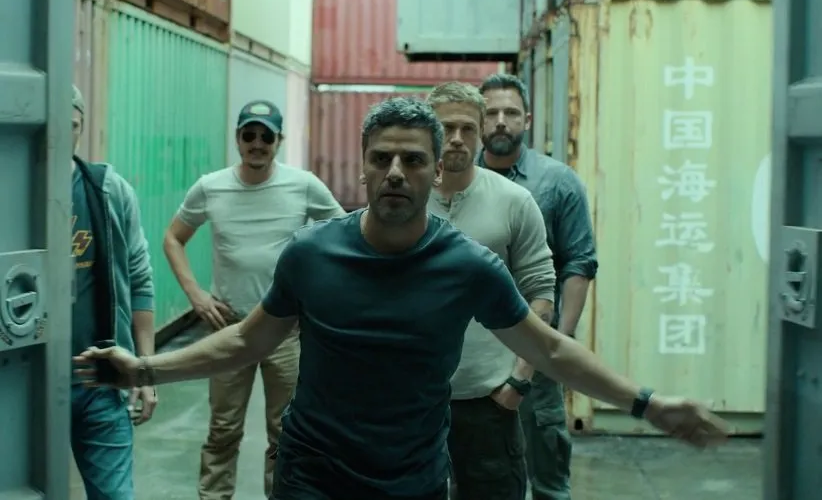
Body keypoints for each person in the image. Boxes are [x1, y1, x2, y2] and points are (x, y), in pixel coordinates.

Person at [75, 97, 729, 500]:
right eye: (382, 158)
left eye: (413, 160)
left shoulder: (467, 267)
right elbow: (248, 341)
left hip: (412, 480)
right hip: (313, 477)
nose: (395, 173)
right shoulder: (311, 255)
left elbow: (550, 349)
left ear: (436, 169)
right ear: (362, 164)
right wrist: (142, 367)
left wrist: (648, 404)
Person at [162, 100, 346, 499]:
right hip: (229, 328)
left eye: (266, 136)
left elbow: (344, 235)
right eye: (249, 135)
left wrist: (317, 291)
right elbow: (173, 238)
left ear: (279, 140)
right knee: (223, 429)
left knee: (286, 431)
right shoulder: (211, 187)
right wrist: (196, 295)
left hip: (284, 328)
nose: (257, 143)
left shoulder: (303, 185)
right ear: (237, 138)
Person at [426, 82, 555, 500]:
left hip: (489, 400)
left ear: (481, 131)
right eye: (446, 128)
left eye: (467, 128)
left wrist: (518, 382)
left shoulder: (514, 202)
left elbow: (541, 293)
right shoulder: (404, 200)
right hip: (412, 400)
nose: (457, 138)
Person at [477, 73, 598, 500]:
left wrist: (556, 345)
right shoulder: (457, 180)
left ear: (527, 120)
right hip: (473, 353)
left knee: (548, 475)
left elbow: (580, 264)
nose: (501, 121)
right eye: (491, 112)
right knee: (475, 474)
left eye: (511, 113)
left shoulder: (557, 182)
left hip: (536, 345)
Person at [70, 84, 157, 500]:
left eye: (70, 124)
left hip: (100, 378)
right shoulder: (12, 191)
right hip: (25, 380)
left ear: (81, 126)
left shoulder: (107, 191)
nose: (60, 133)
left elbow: (139, 279)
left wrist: (146, 369)